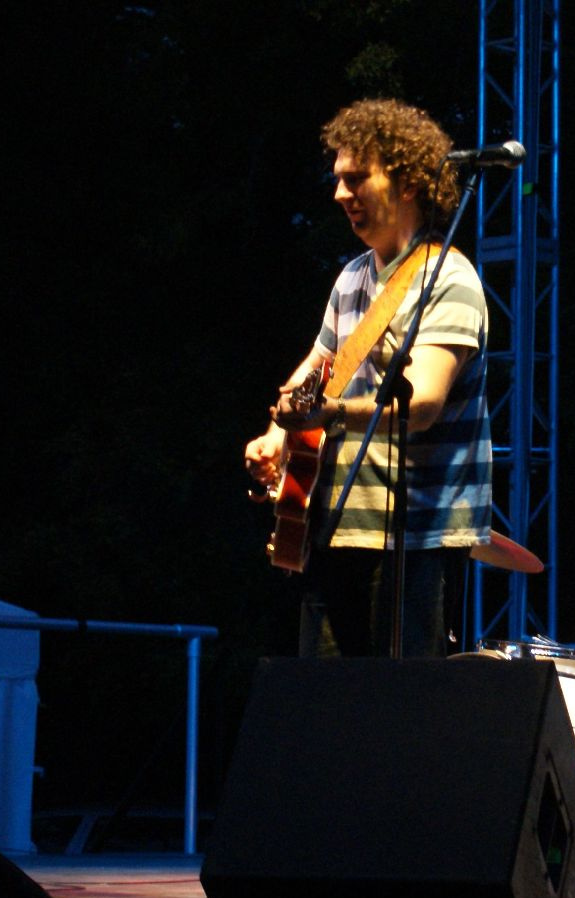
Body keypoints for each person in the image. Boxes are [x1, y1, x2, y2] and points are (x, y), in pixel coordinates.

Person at [244, 99, 492, 658]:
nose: (339, 194)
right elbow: (311, 374)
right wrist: (277, 436)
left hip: (415, 540)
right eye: (337, 180)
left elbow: (423, 405)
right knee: (327, 719)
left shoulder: (448, 278)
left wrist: (328, 415)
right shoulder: (352, 278)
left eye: (356, 179)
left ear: (406, 182)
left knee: (398, 724)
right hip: (332, 530)